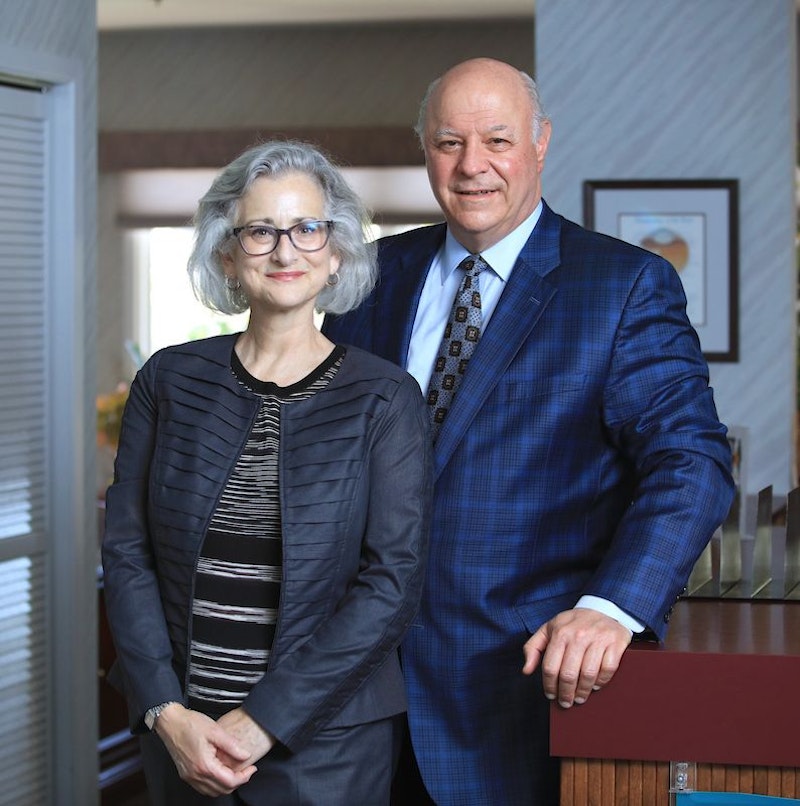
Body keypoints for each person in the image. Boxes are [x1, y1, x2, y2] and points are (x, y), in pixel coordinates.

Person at [322, 58, 734, 805]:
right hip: (352, 707)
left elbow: (691, 462)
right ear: (424, 149)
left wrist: (613, 607)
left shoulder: (621, 286)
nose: (472, 165)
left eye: (497, 140)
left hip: (513, 700)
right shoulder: (369, 277)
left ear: (541, 143)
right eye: (449, 142)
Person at [102, 140, 432, 805]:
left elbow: (390, 583)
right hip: (184, 736)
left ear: (336, 251)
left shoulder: (386, 397)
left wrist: (264, 721)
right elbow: (127, 553)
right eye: (261, 231)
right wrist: (166, 711)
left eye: (308, 229)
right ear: (227, 251)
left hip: (328, 748)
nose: (286, 252)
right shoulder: (168, 379)